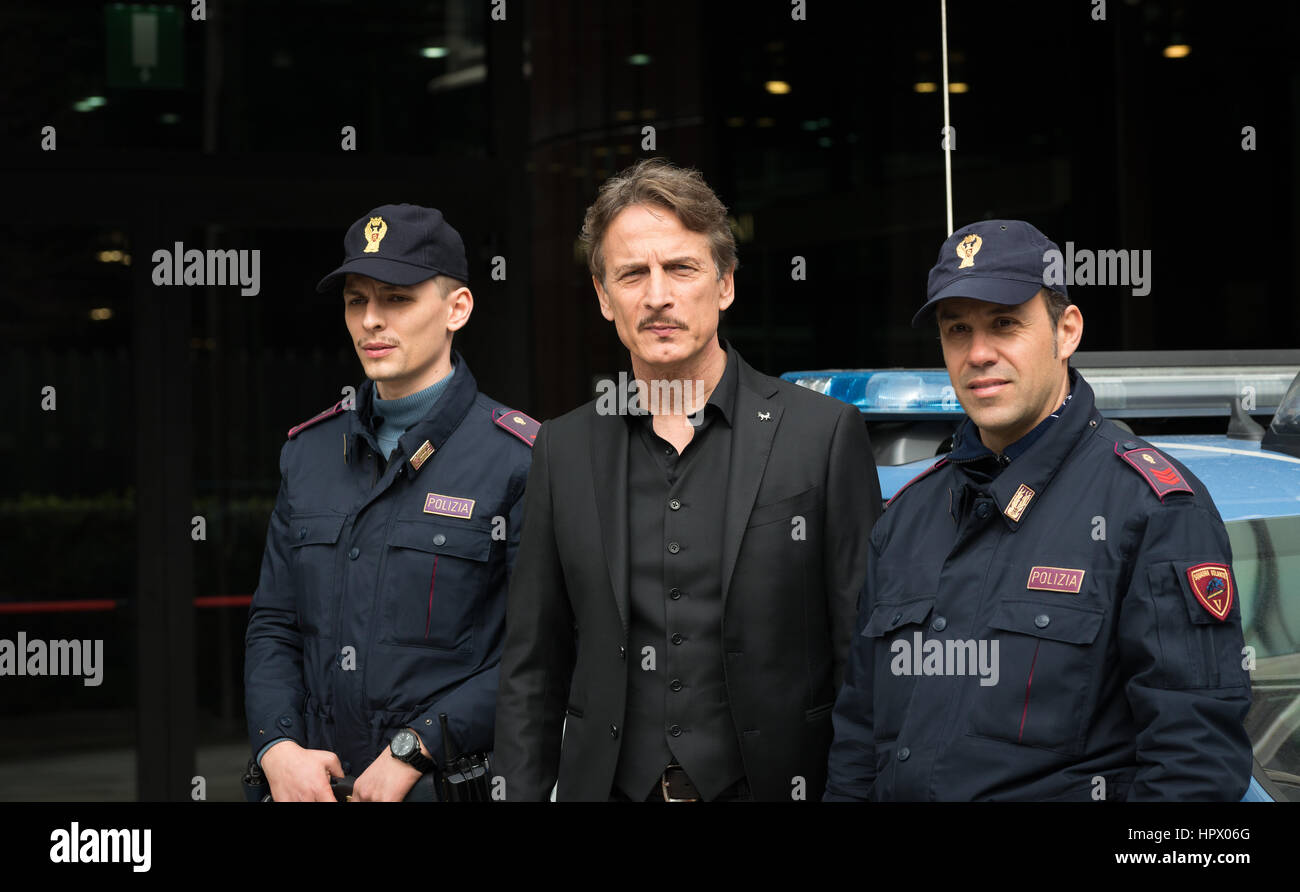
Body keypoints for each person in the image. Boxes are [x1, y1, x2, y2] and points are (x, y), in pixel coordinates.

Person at [493, 159, 882, 802]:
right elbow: (533, 669)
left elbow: (861, 659)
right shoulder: (561, 449)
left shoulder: (823, 435)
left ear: (725, 284)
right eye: (632, 274)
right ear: (602, 296)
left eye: (681, 268)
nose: (657, 296)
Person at [825, 219, 1253, 801]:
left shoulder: (1151, 511)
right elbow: (858, 741)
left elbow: (1194, 769)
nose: (978, 353)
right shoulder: (907, 516)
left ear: (1066, 330)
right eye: (957, 331)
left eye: (1005, 324)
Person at [244, 203, 536, 801]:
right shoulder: (308, 453)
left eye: (397, 298)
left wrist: (416, 748)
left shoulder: (521, 459)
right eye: (357, 300)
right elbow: (274, 625)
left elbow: (539, 655)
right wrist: (278, 749)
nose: (371, 320)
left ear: (458, 309)